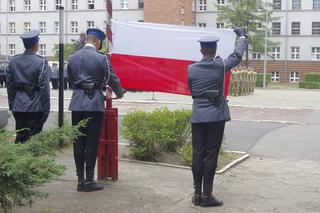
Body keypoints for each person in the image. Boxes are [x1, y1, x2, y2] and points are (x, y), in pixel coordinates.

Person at [188, 28, 248, 207]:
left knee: (197, 154)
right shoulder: (220, 65)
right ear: (214, 51)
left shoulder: (191, 69)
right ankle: (207, 195)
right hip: (216, 116)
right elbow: (236, 56)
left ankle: (197, 194)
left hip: (198, 116)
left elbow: (192, 90)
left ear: (201, 51)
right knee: (211, 155)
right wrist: (242, 37)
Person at [67, 28, 124, 192]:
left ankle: (80, 180)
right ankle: (89, 181)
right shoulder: (101, 58)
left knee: (78, 142)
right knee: (91, 143)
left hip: (77, 103)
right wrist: (119, 92)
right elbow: (111, 77)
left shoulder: (72, 57)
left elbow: (70, 79)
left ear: (87, 40)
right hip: (94, 104)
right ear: (98, 42)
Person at [6, 30, 50, 144]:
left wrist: (12, 105)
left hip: (18, 105)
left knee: (20, 138)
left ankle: (19, 161)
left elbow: (10, 87)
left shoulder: (13, 62)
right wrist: (46, 110)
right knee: (34, 141)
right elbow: (45, 89)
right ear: (36, 44)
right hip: (35, 106)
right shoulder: (42, 62)